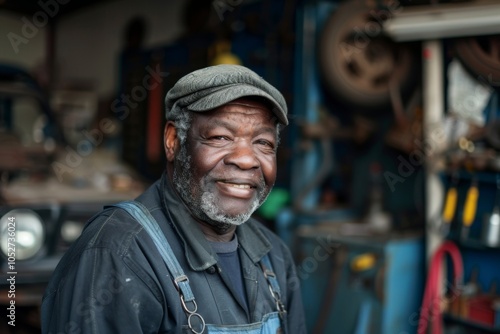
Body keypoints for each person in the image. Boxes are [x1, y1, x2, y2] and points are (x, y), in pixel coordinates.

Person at [41, 64, 306, 333]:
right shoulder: (117, 253)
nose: (247, 159)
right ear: (172, 141)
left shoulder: (274, 255)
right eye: (221, 137)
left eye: (263, 143)